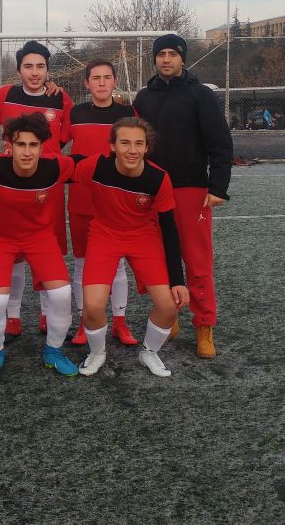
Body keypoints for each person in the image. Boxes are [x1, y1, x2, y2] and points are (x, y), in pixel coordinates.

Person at [134, 33, 233, 359]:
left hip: (191, 189)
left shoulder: (200, 94)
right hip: (152, 191)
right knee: (159, 260)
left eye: (172, 54)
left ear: (182, 59)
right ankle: (168, 316)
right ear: (154, 59)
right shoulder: (144, 97)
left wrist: (217, 186)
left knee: (197, 262)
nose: (166, 59)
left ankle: (204, 326)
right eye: (161, 54)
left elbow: (220, 142)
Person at [0, 112, 78, 380]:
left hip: (39, 237)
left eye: (33, 145)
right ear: (9, 145)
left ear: (42, 147)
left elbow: (93, 164)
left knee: (61, 294)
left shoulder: (56, 167)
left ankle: (54, 351)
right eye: (20, 144)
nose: (27, 152)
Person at [74, 117, 190, 378]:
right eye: (125, 143)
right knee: (92, 307)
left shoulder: (158, 178)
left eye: (139, 144)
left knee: (169, 306)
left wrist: (178, 280)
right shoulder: (95, 167)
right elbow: (59, 170)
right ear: (112, 146)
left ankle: (149, 352)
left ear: (147, 147)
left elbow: (169, 229)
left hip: (142, 238)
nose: (132, 150)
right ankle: (97, 352)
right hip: (104, 235)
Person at [0, 40, 73, 340]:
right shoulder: (4, 95)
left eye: (40, 66)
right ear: (19, 70)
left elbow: (66, 136)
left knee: (49, 249)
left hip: (47, 188)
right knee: (14, 254)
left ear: (48, 69)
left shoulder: (60, 98)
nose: (34, 73)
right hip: (10, 187)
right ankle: (13, 315)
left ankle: (47, 313)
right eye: (28, 66)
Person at [65, 59, 138, 348]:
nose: (102, 82)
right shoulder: (75, 113)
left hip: (116, 200)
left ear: (115, 80)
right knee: (82, 262)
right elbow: (54, 145)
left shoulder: (127, 113)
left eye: (107, 77)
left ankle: (119, 322)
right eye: (96, 78)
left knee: (117, 264)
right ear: (87, 83)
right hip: (82, 199)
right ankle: (86, 321)